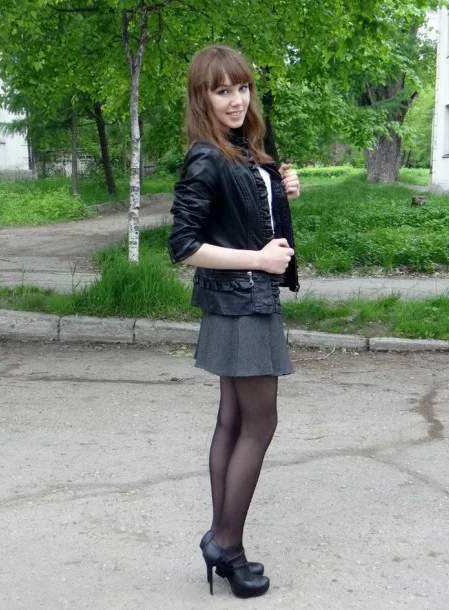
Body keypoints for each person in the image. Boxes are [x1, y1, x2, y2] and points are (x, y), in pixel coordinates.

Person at [167, 45, 301, 599]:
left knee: (232, 421)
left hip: (238, 301)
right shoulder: (207, 156)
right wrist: (259, 261)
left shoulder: (241, 149)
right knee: (259, 425)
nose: (236, 100)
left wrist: (279, 189)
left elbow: (244, 213)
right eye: (222, 91)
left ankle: (221, 538)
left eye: (242, 88)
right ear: (202, 97)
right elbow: (183, 245)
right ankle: (227, 545)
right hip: (243, 304)